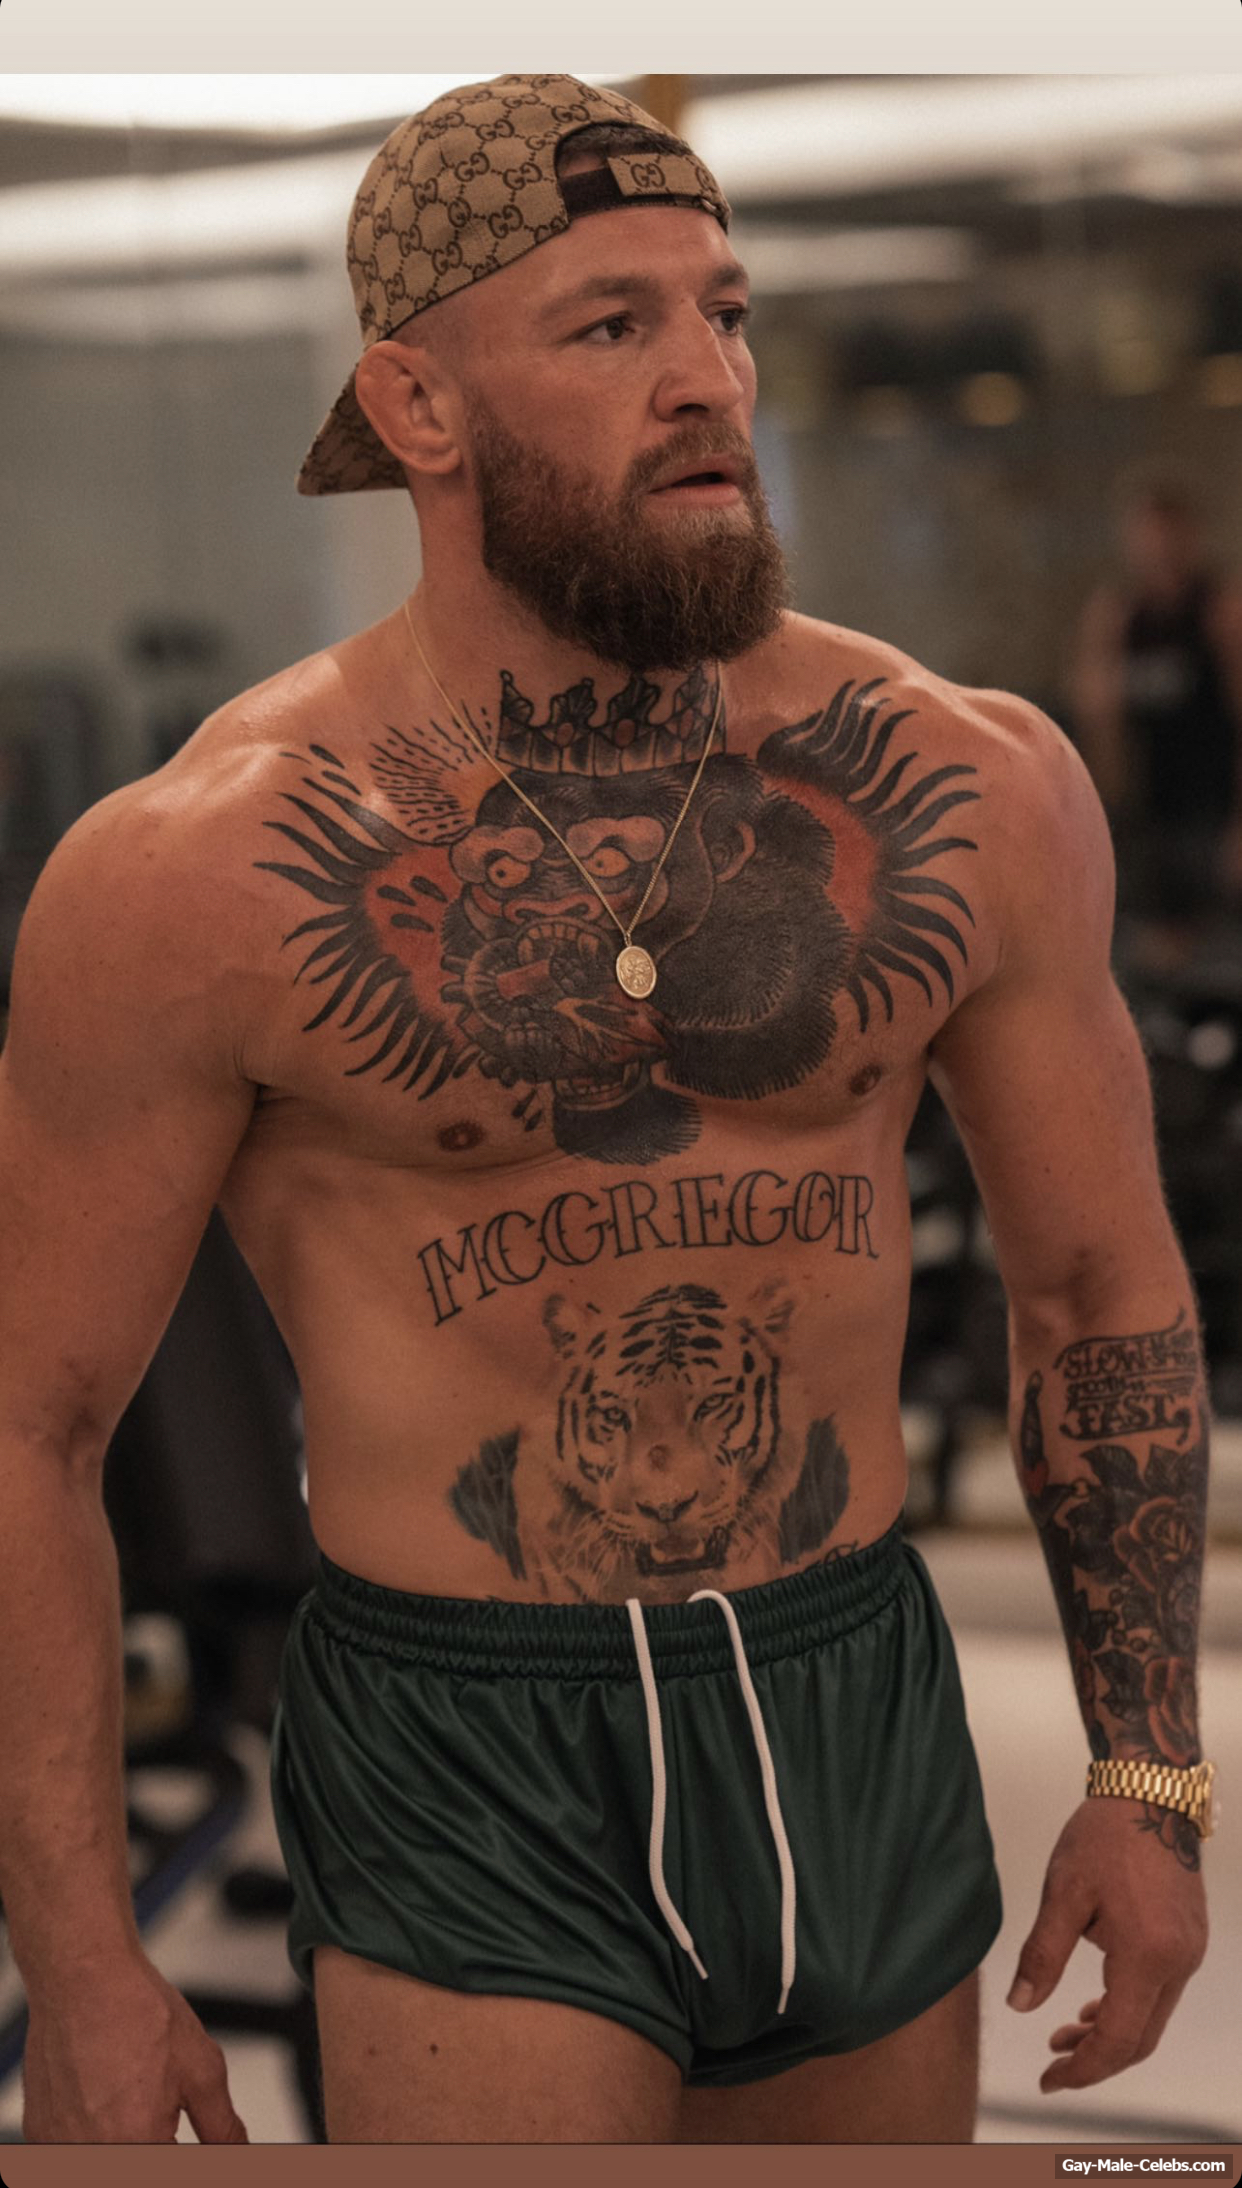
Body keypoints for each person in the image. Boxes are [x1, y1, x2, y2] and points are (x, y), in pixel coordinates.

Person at [0, 74, 1214, 2147]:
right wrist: (83, 1952)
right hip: (472, 1737)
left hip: (851, 1678)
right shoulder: (197, 871)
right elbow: (32, 1423)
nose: (706, 377)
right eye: (611, 324)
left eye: (724, 311)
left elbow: (1099, 1286)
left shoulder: (965, 785)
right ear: (417, 404)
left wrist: (1148, 1771)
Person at [1070, 474, 1242, 955]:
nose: (1157, 547)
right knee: (1156, 950)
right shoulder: (1118, 616)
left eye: (1167, 533)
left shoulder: (1221, 612)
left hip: (1212, 809)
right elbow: (1098, 719)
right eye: (1146, 534)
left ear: (1190, 534)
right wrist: (1103, 824)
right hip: (1150, 810)